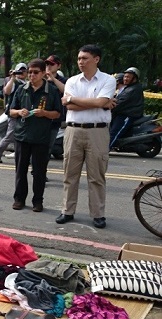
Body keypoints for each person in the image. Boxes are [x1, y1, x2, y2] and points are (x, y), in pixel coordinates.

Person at [57, 44, 116, 229]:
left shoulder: (107, 80)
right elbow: (70, 107)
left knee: (96, 176)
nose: (80, 62)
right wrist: (99, 103)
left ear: (96, 59)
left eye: (84, 58)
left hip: (98, 131)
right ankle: (67, 210)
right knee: (69, 173)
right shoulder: (72, 81)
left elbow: (100, 101)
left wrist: (73, 99)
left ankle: (98, 214)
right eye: (79, 58)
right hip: (73, 130)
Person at [9, 59, 63, 213]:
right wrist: (19, 112)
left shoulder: (51, 90)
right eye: (30, 72)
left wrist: (44, 113)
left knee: (39, 172)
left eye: (35, 72)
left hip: (41, 137)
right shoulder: (21, 89)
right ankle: (19, 199)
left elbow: (58, 113)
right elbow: (11, 111)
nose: (32, 75)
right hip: (22, 136)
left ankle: (38, 201)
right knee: (20, 170)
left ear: (42, 73)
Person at [0, 62, 27, 163]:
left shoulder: (26, 83)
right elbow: (7, 91)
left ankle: (21, 156)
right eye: (19, 70)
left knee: (22, 136)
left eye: (23, 70)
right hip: (13, 113)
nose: (21, 73)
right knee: (10, 135)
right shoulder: (13, 82)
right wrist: (12, 78)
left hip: (23, 113)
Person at [109, 67, 144, 147]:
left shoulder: (133, 89)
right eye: (125, 76)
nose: (125, 79)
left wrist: (107, 106)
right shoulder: (129, 88)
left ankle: (104, 151)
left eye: (128, 77)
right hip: (121, 113)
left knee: (114, 132)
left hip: (127, 115)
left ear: (134, 78)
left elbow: (120, 102)